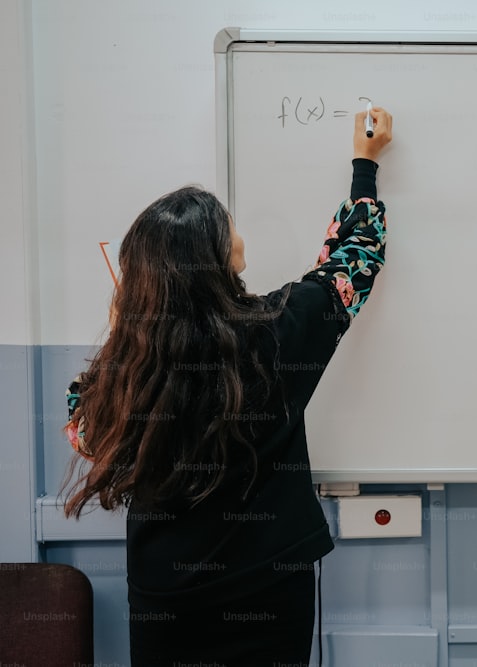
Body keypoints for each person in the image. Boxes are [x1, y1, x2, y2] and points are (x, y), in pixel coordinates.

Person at [60, 107, 393, 666]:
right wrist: (365, 164)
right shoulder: (279, 331)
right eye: (228, 224)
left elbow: (85, 432)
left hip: (166, 598)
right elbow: (354, 260)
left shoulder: (131, 369)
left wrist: (123, 333)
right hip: (268, 590)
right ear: (215, 257)